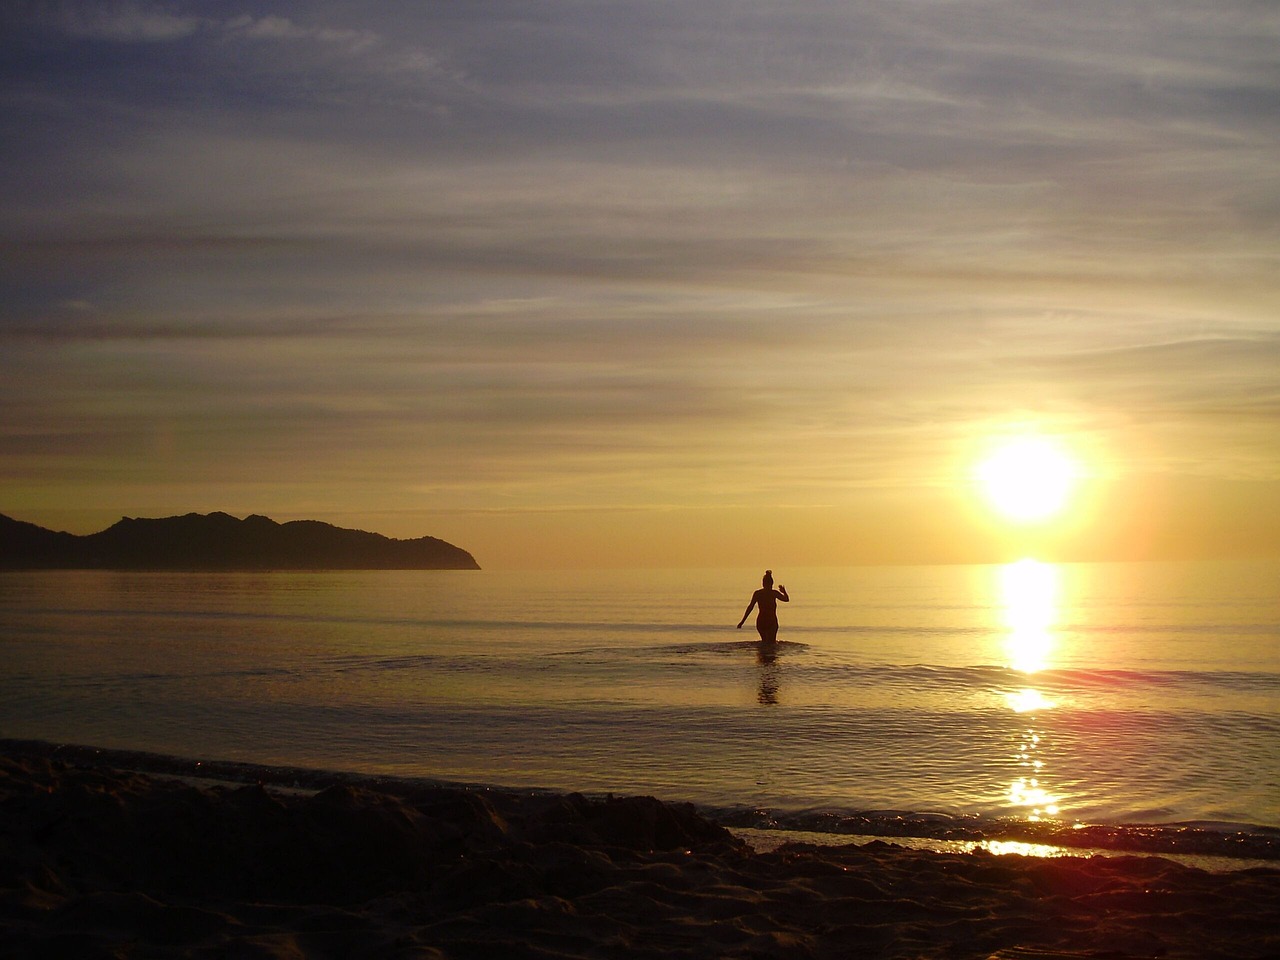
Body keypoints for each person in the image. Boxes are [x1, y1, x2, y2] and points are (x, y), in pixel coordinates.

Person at [737, 570, 789, 644]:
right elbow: (786, 599)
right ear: (772, 583)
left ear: (763, 583)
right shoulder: (773, 593)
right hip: (771, 621)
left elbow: (750, 607)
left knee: (764, 643)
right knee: (772, 644)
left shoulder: (758, 593)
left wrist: (742, 622)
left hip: (761, 620)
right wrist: (784, 592)